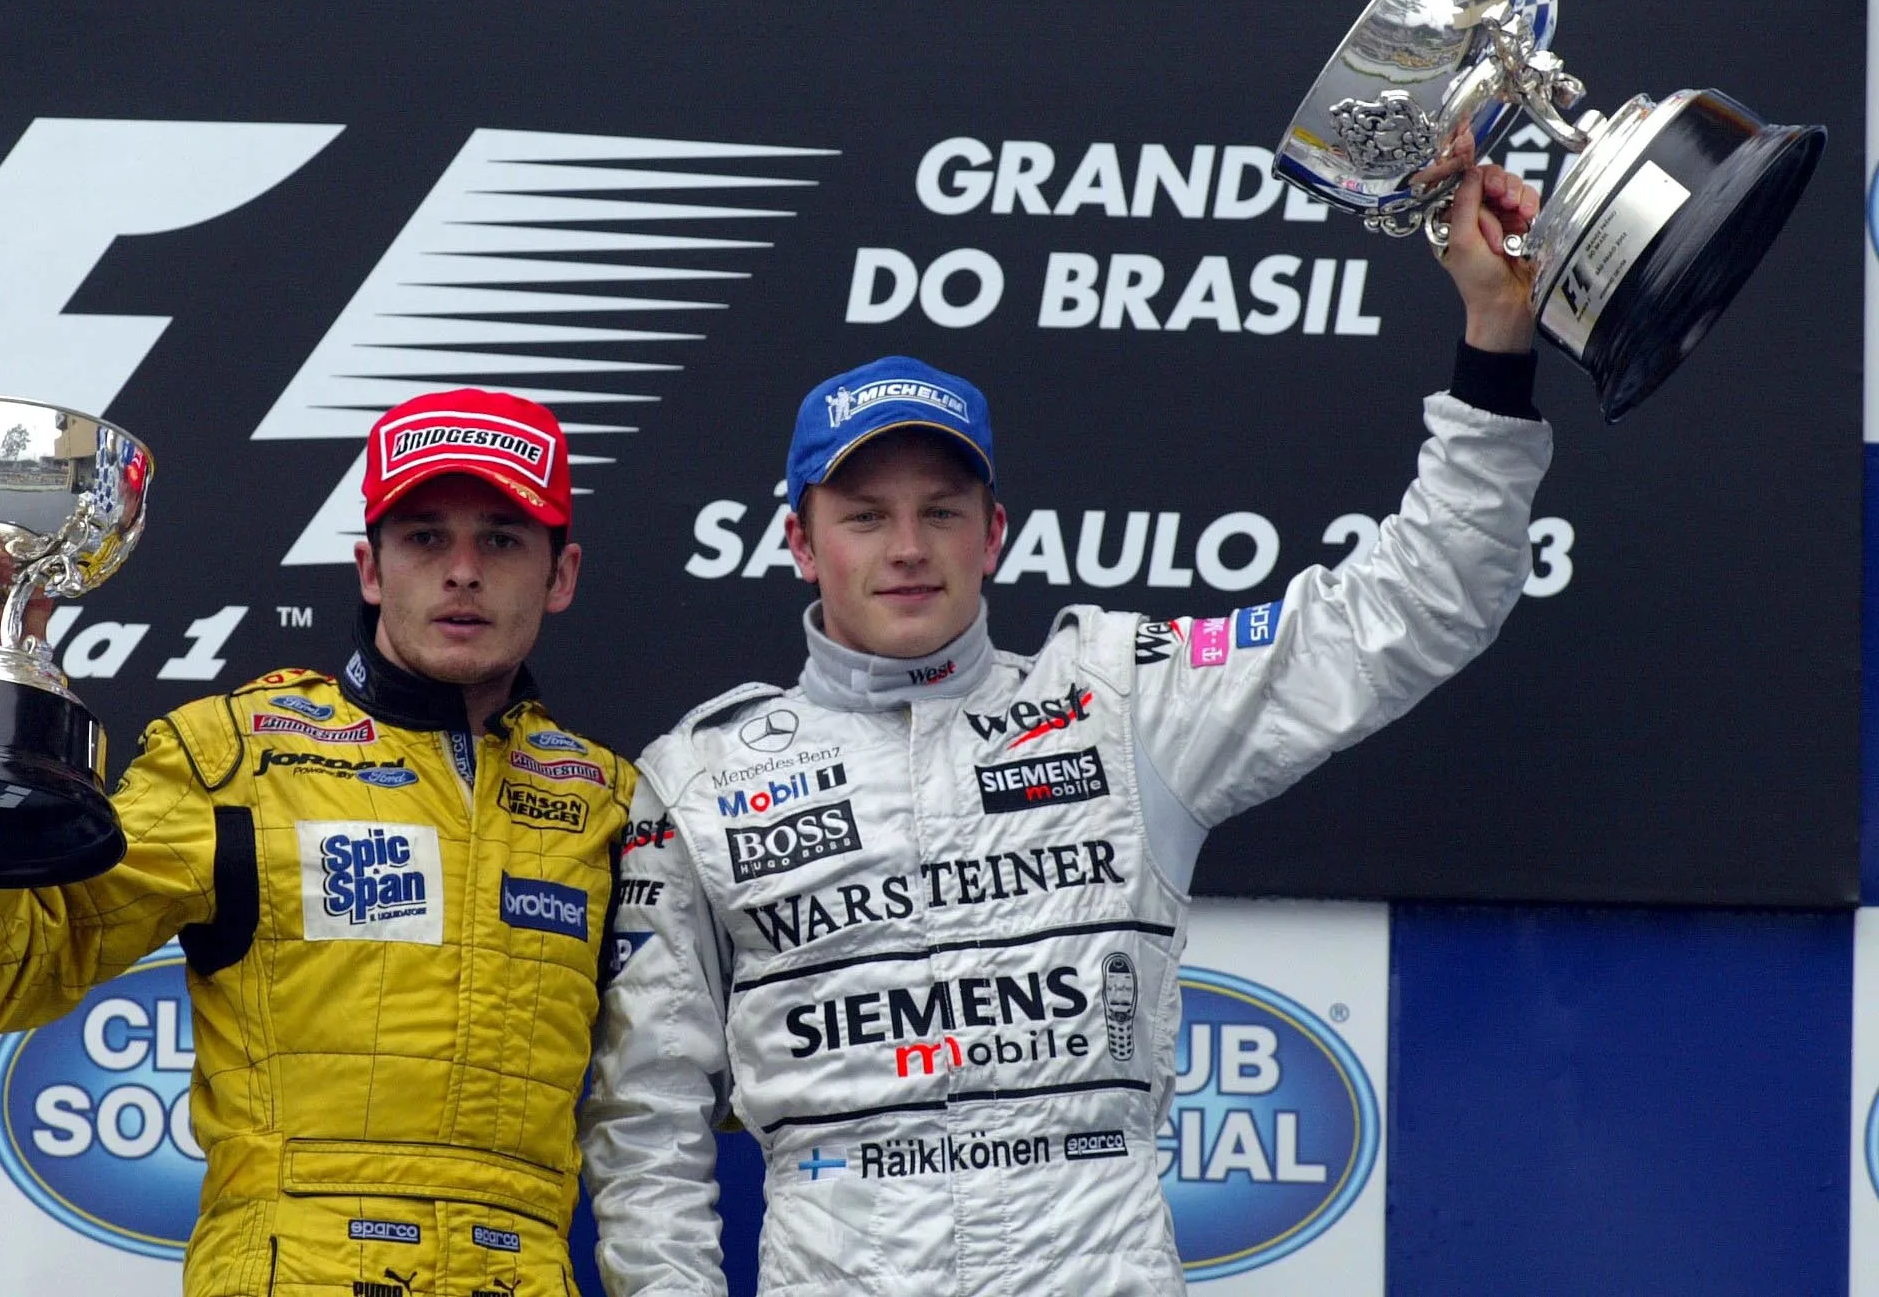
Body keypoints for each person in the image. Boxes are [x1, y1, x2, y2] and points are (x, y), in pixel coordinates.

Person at [579, 165, 1551, 1295]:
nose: (906, 548)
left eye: (940, 512)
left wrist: (1494, 335)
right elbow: (644, 1118)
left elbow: (1415, 604)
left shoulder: (1117, 701)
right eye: (864, 517)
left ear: (992, 534)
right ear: (801, 544)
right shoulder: (694, 778)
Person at [0, 388, 636, 1297]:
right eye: (426, 537)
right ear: (371, 568)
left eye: (503, 540)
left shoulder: (612, 801)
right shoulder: (237, 757)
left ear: (562, 576)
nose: (462, 571)